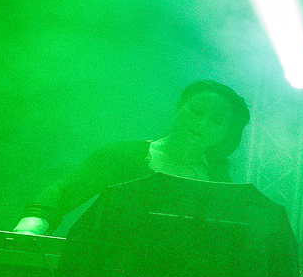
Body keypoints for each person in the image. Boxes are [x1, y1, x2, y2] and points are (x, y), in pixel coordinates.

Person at [13, 80, 251, 234]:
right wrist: (32, 225)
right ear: (178, 107)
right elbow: (65, 191)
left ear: (226, 133)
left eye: (217, 121)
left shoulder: (219, 178)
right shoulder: (123, 156)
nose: (202, 123)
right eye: (196, 111)